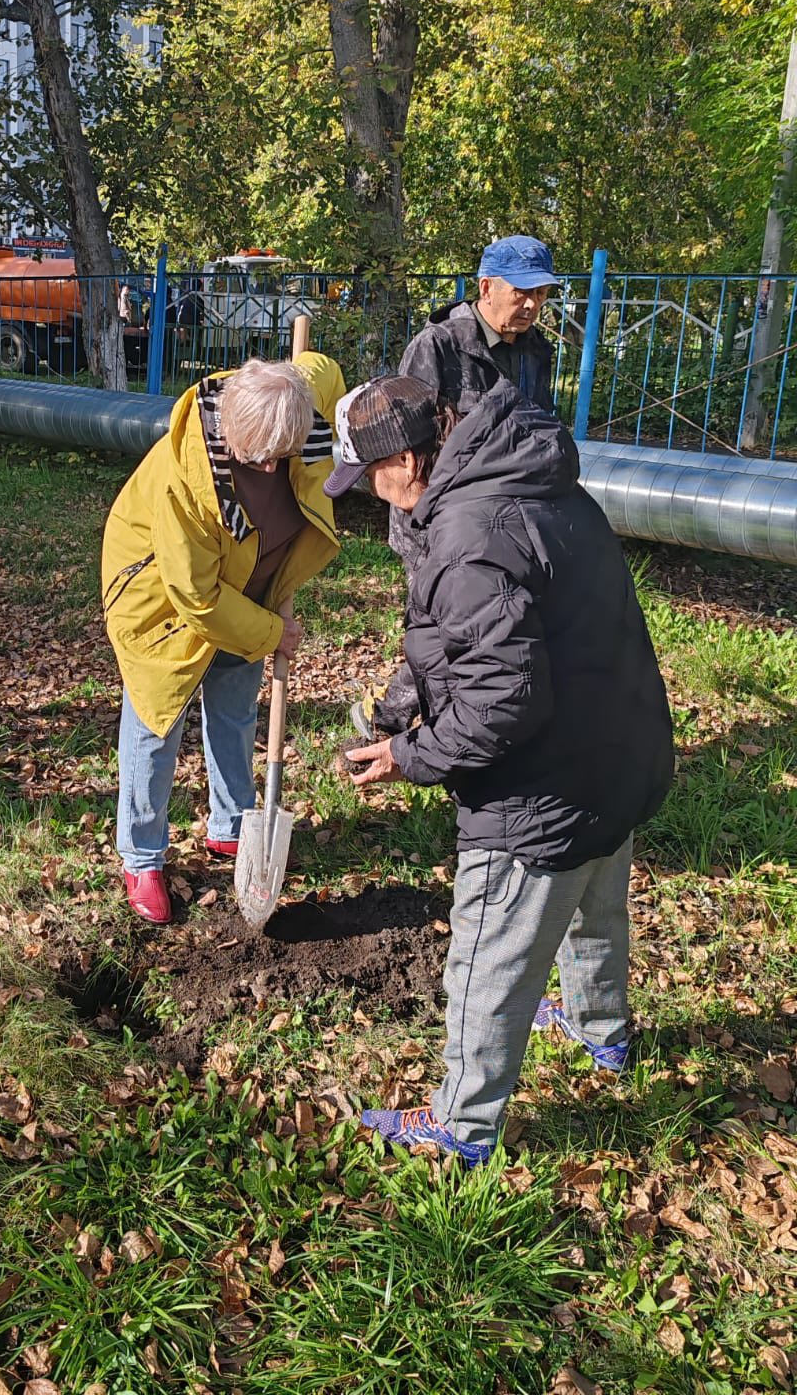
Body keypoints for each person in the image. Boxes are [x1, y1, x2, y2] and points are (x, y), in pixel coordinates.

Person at [327, 374, 673, 1166]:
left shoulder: (467, 535)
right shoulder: (532, 480)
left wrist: (410, 755)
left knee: (487, 959)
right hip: (617, 750)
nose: (371, 493)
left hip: (540, 787)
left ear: (407, 459)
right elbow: (475, 636)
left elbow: (503, 701)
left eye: (372, 475)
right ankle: (599, 1031)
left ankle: (462, 1128)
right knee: (594, 907)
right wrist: (401, 704)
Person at [102, 353, 345, 924]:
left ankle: (231, 825)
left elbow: (325, 371)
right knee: (156, 726)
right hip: (162, 601)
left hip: (250, 587)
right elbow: (197, 595)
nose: (271, 468)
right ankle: (141, 856)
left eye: (282, 454)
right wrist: (273, 632)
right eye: (258, 457)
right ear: (231, 432)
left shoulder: (298, 396)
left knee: (235, 710)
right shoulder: (184, 480)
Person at [357, 234, 562, 743]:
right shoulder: (439, 346)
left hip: (504, 520)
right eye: (522, 292)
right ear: (486, 287)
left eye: (541, 294)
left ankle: (432, 723)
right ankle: (396, 724)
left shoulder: (538, 351)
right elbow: (407, 444)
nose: (532, 305)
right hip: (434, 522)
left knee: (486, 626)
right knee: (442, 628)